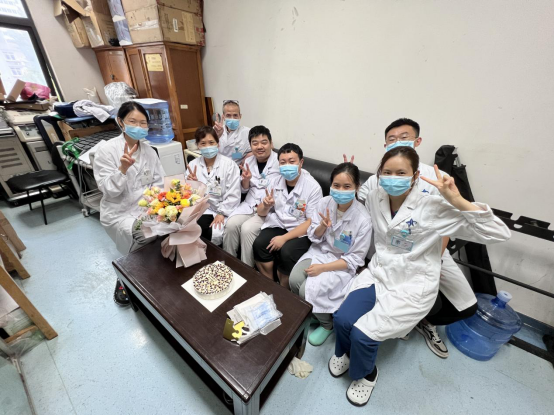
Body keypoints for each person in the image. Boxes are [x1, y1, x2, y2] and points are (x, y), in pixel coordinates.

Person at [329, 147, 511, 407]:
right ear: (379, 174)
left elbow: (498, 233)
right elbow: (350, 194)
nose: (393, 178)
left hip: (411, 284)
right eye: (387, 172)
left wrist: (458, 200)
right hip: (380, 273)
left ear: (414, 176)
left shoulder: (431, 206)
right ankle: (345, 353)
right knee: (342, 319)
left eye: (401, 173)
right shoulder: (375, 197)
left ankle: (366, 375)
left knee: (363, 334)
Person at [352, 118, 479, 359]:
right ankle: (395, 320)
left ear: (417, 141)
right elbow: (360, 203)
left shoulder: (436, 178)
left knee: (467, 306)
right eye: (391, 139)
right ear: (385, 145)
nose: (398, 142)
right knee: (387, 293)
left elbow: (447, 224)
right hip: (393, 251)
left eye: (404, 137)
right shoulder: (379, 179)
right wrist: (348, 180)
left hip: (431, 250)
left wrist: (436, 260)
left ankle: (422, 322)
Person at [289, 163, 372, 347]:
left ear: (357, 187)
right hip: (320, 252)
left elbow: (355, 259)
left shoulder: (363, 219)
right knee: (294, 280)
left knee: (306, 289)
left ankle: (327, 325)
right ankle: (314, 313)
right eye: (336, 185)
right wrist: (322, 226)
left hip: (342, 264)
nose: (340, 191)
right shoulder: (325, 202)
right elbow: (314, 236)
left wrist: (323, 268)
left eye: (347, 186)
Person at [94, 101, 165, 307]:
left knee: (168, 228)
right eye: (133, 121)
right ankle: (125, 276)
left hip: (146, 209)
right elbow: (108, 189)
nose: (139, 127)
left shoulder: (149, 151)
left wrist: (157, 206)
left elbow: (158, 183)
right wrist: (122, 169)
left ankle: (153, 271)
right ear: (120, 122)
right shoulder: (107, 151)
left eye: (143, 123)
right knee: (142, 237)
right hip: (120, 213)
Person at [253, 143, 323, 289]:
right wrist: (266, 205)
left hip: (301, 230)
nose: (287, 166)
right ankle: (270, 285)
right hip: (279, 223)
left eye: (292, 161)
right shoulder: (275, 181)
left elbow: (311, 221)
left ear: (301, 162)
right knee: (259, 244)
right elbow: (260, 212)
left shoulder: (313, 187)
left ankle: (283, 291)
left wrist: (284, 238)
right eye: (283, 162)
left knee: (287, 252)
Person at [223, 126, 280, 266]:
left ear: (271, 144)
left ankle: (246, 270)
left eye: (264, 142)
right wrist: (246, 180)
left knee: (247, 229)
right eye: (255, 143)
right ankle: (228, 265)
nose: (259, 146)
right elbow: (244, 190)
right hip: (249, 205)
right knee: (230, 225)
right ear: (250, 146)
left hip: (269, 210)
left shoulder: (280, 162)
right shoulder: (248, 161)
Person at [187, 126, 241, 246]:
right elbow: (189, 195)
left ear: (218, 144)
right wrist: (194, 184)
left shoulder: (229, 165)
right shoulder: (193, 165)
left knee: (212, 232)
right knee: (191, 228)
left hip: (224, 209)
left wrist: (221, 213)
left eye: (211, 142)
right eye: (203, 143)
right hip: (203, 209)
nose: (208, 147)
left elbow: (234, 194)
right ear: (198, 145)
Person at [213, 100, 252, 165]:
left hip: (237, 167)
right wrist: (217, 136)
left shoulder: (248, 132)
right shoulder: (215, 130)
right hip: (218, 166)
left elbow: (257, 149)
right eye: (228, 115)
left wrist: (246, 158)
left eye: (235, 115)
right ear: (223, 117)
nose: (232, 118)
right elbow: (208, 151)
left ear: (240, 116)